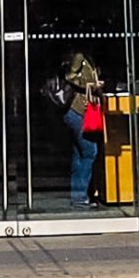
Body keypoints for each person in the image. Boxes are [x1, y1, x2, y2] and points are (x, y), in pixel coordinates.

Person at [56, 58, 106, 207]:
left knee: (79, 154)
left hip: (77, 112)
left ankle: (77, 195)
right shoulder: (79, 56)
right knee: (90, 151)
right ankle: (79, 197)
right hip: (78, 110)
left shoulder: (88, 57)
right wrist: (89, 86)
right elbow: (70, 76)